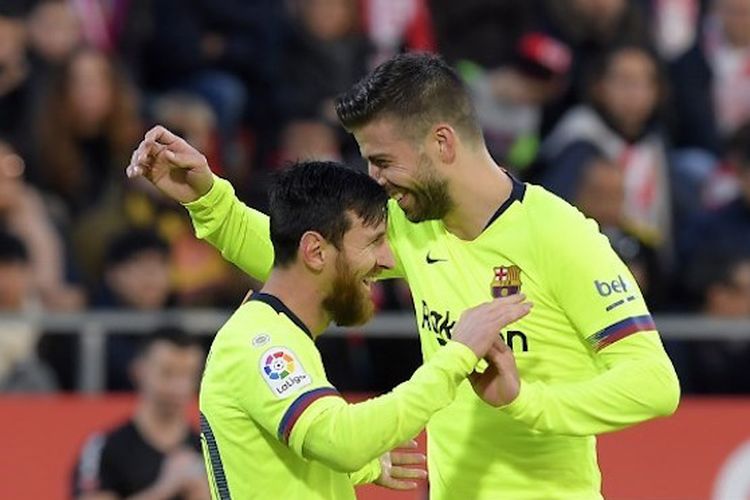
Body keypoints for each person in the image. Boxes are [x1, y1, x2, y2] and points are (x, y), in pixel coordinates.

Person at [128, 52, 680, 499]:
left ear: (441, 143)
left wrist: (525, 403)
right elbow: (303, 258)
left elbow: (655, 384)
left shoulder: (561, 235)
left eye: (383, 161)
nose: (375, 179)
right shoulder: (419, 225)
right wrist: (209, 198)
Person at [199, 161, 530, 499]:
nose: (388, 260)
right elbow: (340, 440)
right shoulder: (258, 342)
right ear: (315, 251)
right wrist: (457, 355)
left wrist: (357, 467)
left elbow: (311, 449)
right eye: (374, 242)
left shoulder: (282, 333)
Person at [72, 329, 209, 500]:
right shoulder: (106, 448)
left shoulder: (208, 449)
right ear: (139, 371)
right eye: (167, 373)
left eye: (188, 375)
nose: (179, 387)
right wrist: (165, 488)